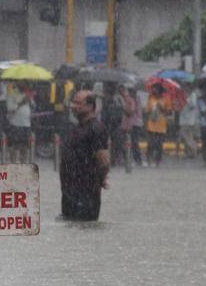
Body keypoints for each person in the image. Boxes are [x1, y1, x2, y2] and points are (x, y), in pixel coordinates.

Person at [60, 90, 110, 221]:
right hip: (69, 193)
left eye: (78, 103)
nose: (73, 106)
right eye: (73, 102)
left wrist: (100, 179)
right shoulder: (76, 128)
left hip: (86, 195)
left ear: (90, 106)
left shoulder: (96, 128)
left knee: (84, 227)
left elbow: (104, 161)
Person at [144, 84, 172, 166]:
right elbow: (147, 110)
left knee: (159, 144)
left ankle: (158, 160)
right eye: (153, 89)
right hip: (151, 125)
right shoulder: (151, 98)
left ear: (160, 90)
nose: (154, 91)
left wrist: (162, 108)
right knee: (150, 143)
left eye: (155, 89)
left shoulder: (166, 99)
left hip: (161, 125)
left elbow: (169, 112)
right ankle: (149, 158)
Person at [118, 85, 143, 167]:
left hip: (133, 123)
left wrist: (123, 103)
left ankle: (136, 160)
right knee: (125, 143)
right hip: (126, 124)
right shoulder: (126, 99)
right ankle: (126, 159)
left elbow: (130, 111)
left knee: (133, 142)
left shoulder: (132, 99)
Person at [179, 83, 201, 158]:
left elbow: (193, 105)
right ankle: (188, 152)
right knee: (186, 137)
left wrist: (186, 99)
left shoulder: (193, 95)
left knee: (188, 137)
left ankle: (194, 150)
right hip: (183, 119)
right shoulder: (182, 95)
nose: (185, 88)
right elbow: (181, 105)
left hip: (190, 120)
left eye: (186, 87)